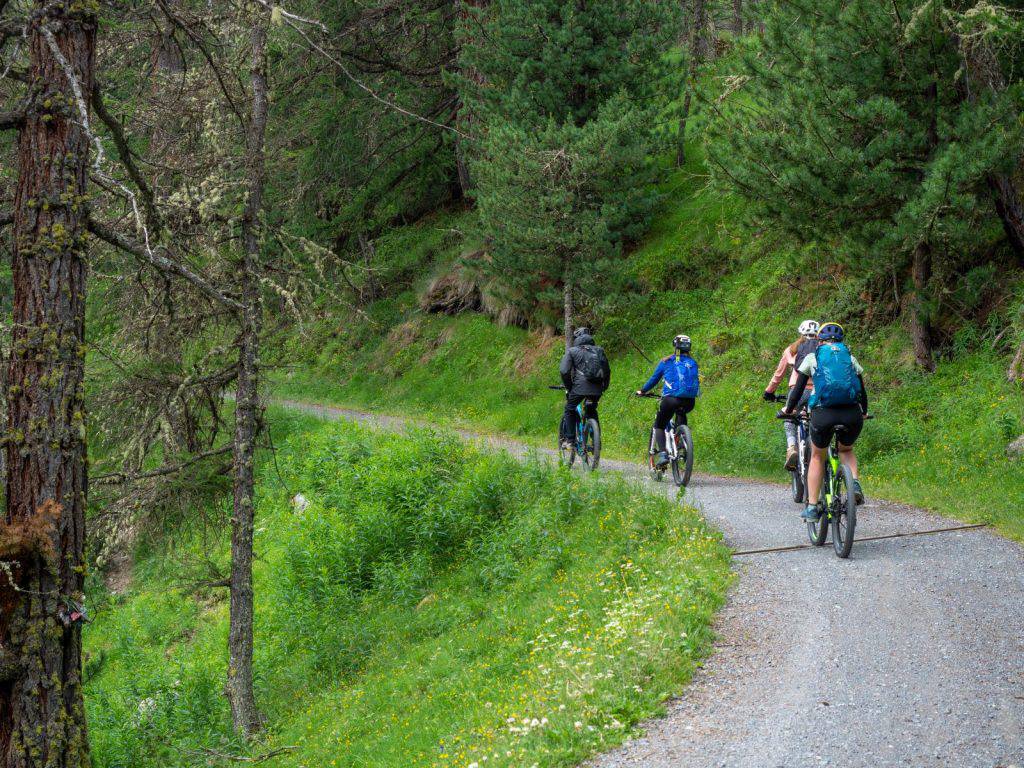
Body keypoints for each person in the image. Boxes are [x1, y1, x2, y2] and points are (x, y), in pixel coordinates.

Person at [780, 322, 868, 520]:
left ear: (820, 340)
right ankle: (853, 483)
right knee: (846, 449)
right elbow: (861, 391)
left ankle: (812, 506)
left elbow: (797, 390)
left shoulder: (813, 357)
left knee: (817, 457)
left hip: (823, 414)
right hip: (851, 414)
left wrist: (788, 409)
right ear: (841, 341)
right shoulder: (849, 358)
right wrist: (864, 412)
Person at [635, 334, 700, 467]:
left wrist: (642, 391)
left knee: (659, 425)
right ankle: (682, 442)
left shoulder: (667, 361)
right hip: (689, 401)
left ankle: (663, 454)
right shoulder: (692, 363)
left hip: (670, 400)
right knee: (681, 413)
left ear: (675, 346)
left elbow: (654, 380)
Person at [763, 320, 820, 471]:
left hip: (797, 391)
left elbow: (778, 374)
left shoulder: (791, 349)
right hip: (819, 391)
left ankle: (792, 448)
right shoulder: (823, 348)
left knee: (789, 417)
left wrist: (769, 392)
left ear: (801, 333)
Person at [559, 327, 611, 449]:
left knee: (569, 409)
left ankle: (570, 440)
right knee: (591, 410)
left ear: (577, 339)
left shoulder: (572, 351)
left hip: (579, 388)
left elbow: (564, 371)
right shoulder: (599, 350)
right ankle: (596, 441)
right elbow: (607, 371)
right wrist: (604, 387)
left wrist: (569, 387)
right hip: (597, 389)